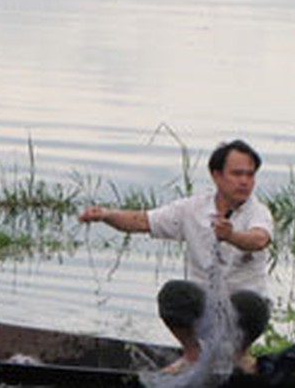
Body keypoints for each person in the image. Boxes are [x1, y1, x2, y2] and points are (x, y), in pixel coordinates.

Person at [78, 139, 273, 374]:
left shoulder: (258, 211)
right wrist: (106, 215)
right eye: (237, 174)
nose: (245, 181)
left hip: (244, 312)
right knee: (174, 294)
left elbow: (259, 239)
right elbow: (142, 221)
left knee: (250, 304)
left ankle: (238, 356)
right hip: (204, 310)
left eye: (250, 175)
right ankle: (193, 354)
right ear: (217, 176)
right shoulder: (192, 209)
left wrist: (231, 235)